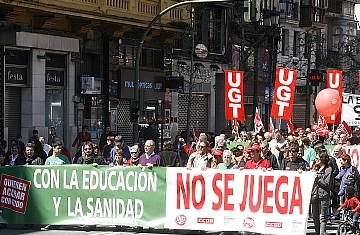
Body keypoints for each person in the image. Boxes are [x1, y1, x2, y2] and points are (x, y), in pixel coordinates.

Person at [311, 152, 332, 235]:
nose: (316, 160)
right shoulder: (316, 169)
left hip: (323, 195)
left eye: (317, 158)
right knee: (315, 216)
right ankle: (317, 232)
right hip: (315, 195)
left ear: (322, 159)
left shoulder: (328, 170)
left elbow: (327, 184)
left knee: (322, 217)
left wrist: (317, 179)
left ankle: (322, 233)